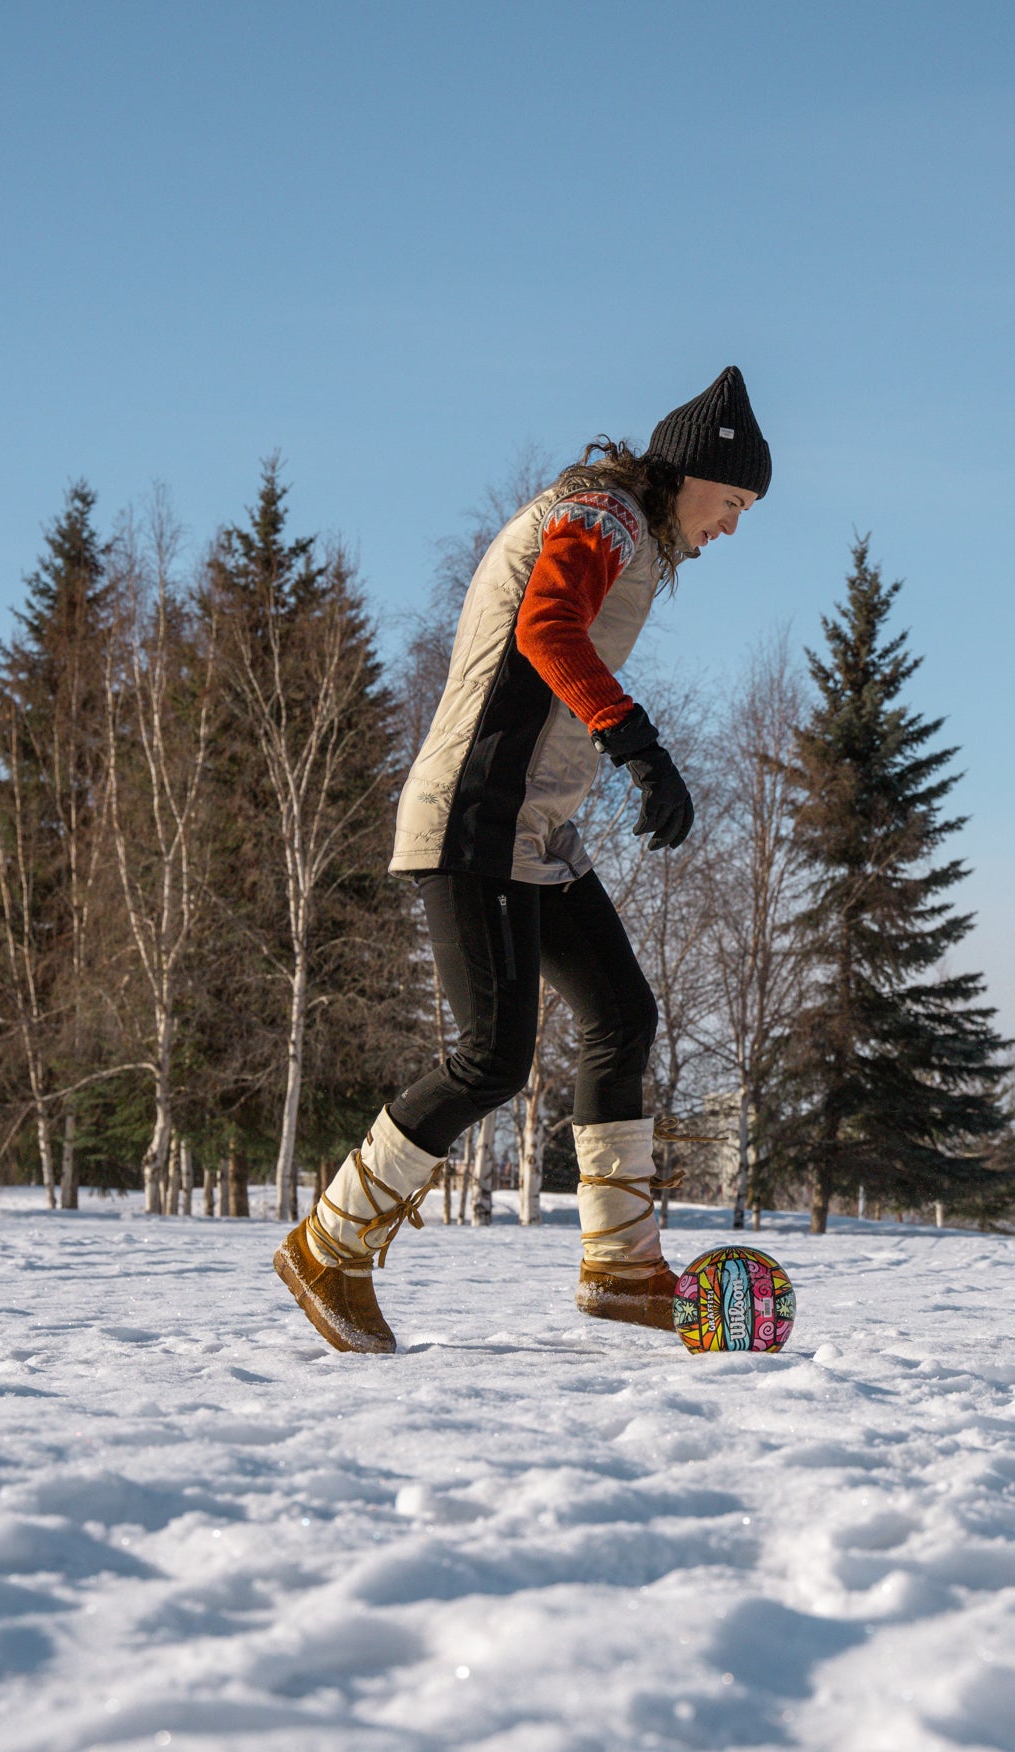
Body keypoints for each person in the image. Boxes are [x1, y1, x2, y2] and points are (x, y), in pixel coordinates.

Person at [274, 367, 769, 1354]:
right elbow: (545, 627)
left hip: (531, 825)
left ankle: (622, 1264)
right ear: (688, 475)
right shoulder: (603, 514)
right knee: (490, 1055)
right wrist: (634, 739)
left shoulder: (626, 529)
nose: (730, 527)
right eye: (731, 501)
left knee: (621, 1014)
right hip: (473, 814)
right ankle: (330, 1243)